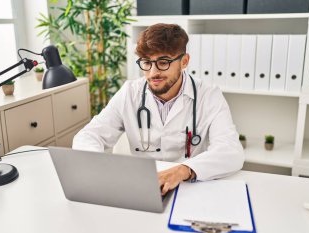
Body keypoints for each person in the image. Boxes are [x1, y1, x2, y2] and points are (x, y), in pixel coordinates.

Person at [73, 23, 244, 195]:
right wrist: (99, 165)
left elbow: (230, 151)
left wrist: (184, 170)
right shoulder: (130, 93)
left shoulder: (208, 95)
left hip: (189, 186)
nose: (153, 73)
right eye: (147, 62)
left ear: (184, 61)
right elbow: (88, 136)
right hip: (142, 187)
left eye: (163, 62)